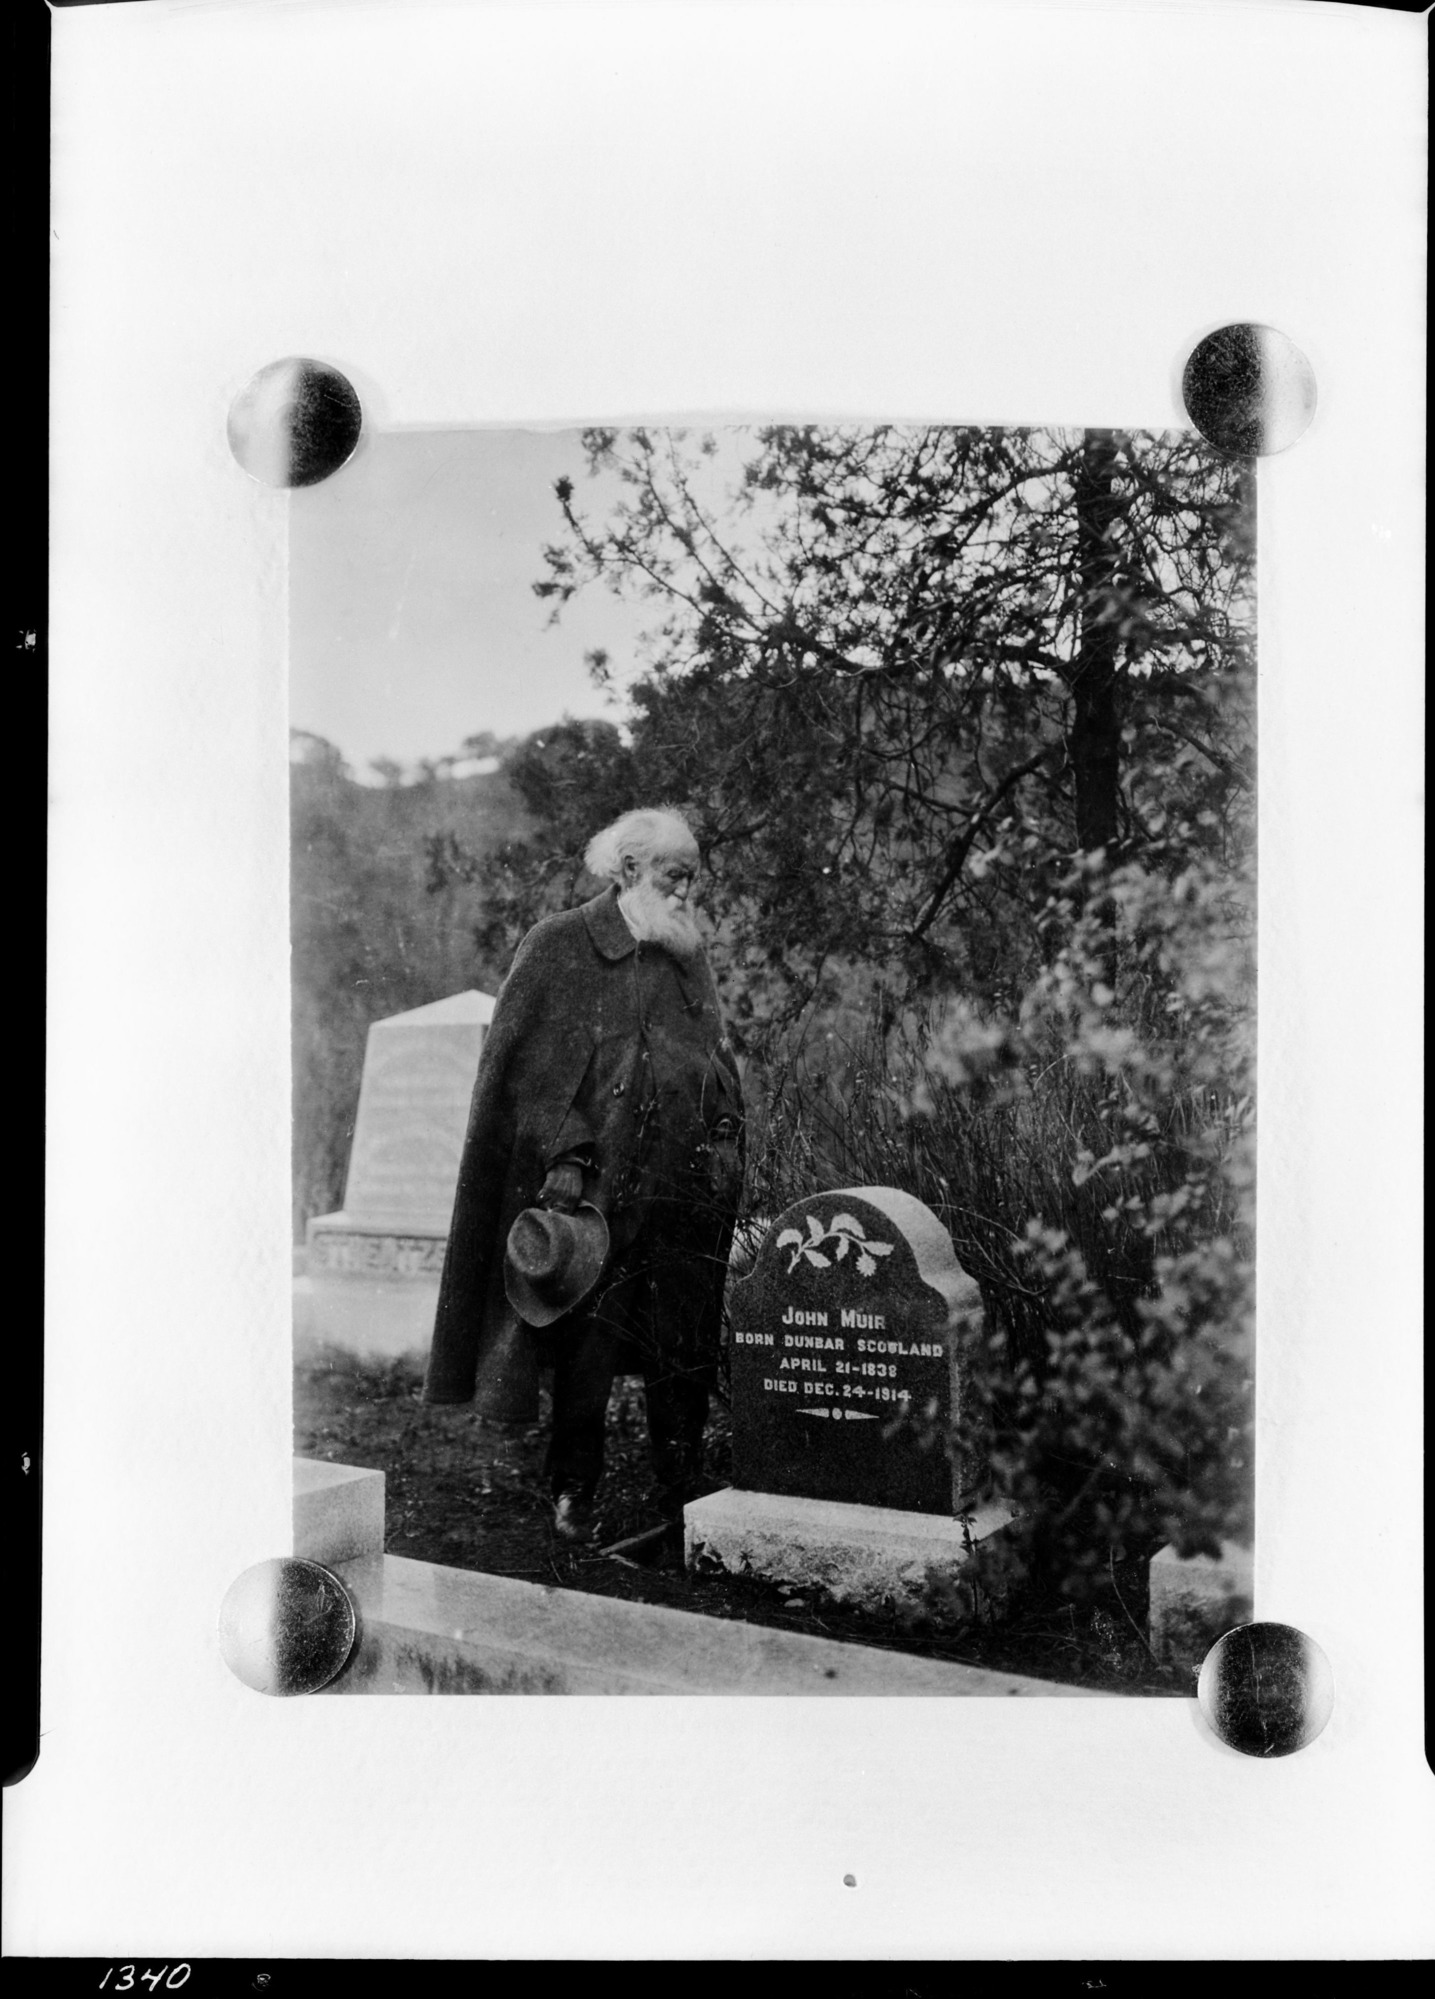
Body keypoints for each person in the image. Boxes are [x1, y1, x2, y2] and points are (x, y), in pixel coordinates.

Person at [423, 806, 745, 1545]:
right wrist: (565, 1153)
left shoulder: (684, 952)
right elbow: (525, 1075)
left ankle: (678, 1492)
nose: (688, 890)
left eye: (694, 875)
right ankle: (573, 1490)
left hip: (681, 1194)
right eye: (675, 874)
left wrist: (725, 1136)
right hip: (598, 1199)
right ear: (629, 869)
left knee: (682, 1345)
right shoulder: (559, 944)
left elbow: (716, 1060)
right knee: (585, 1351)